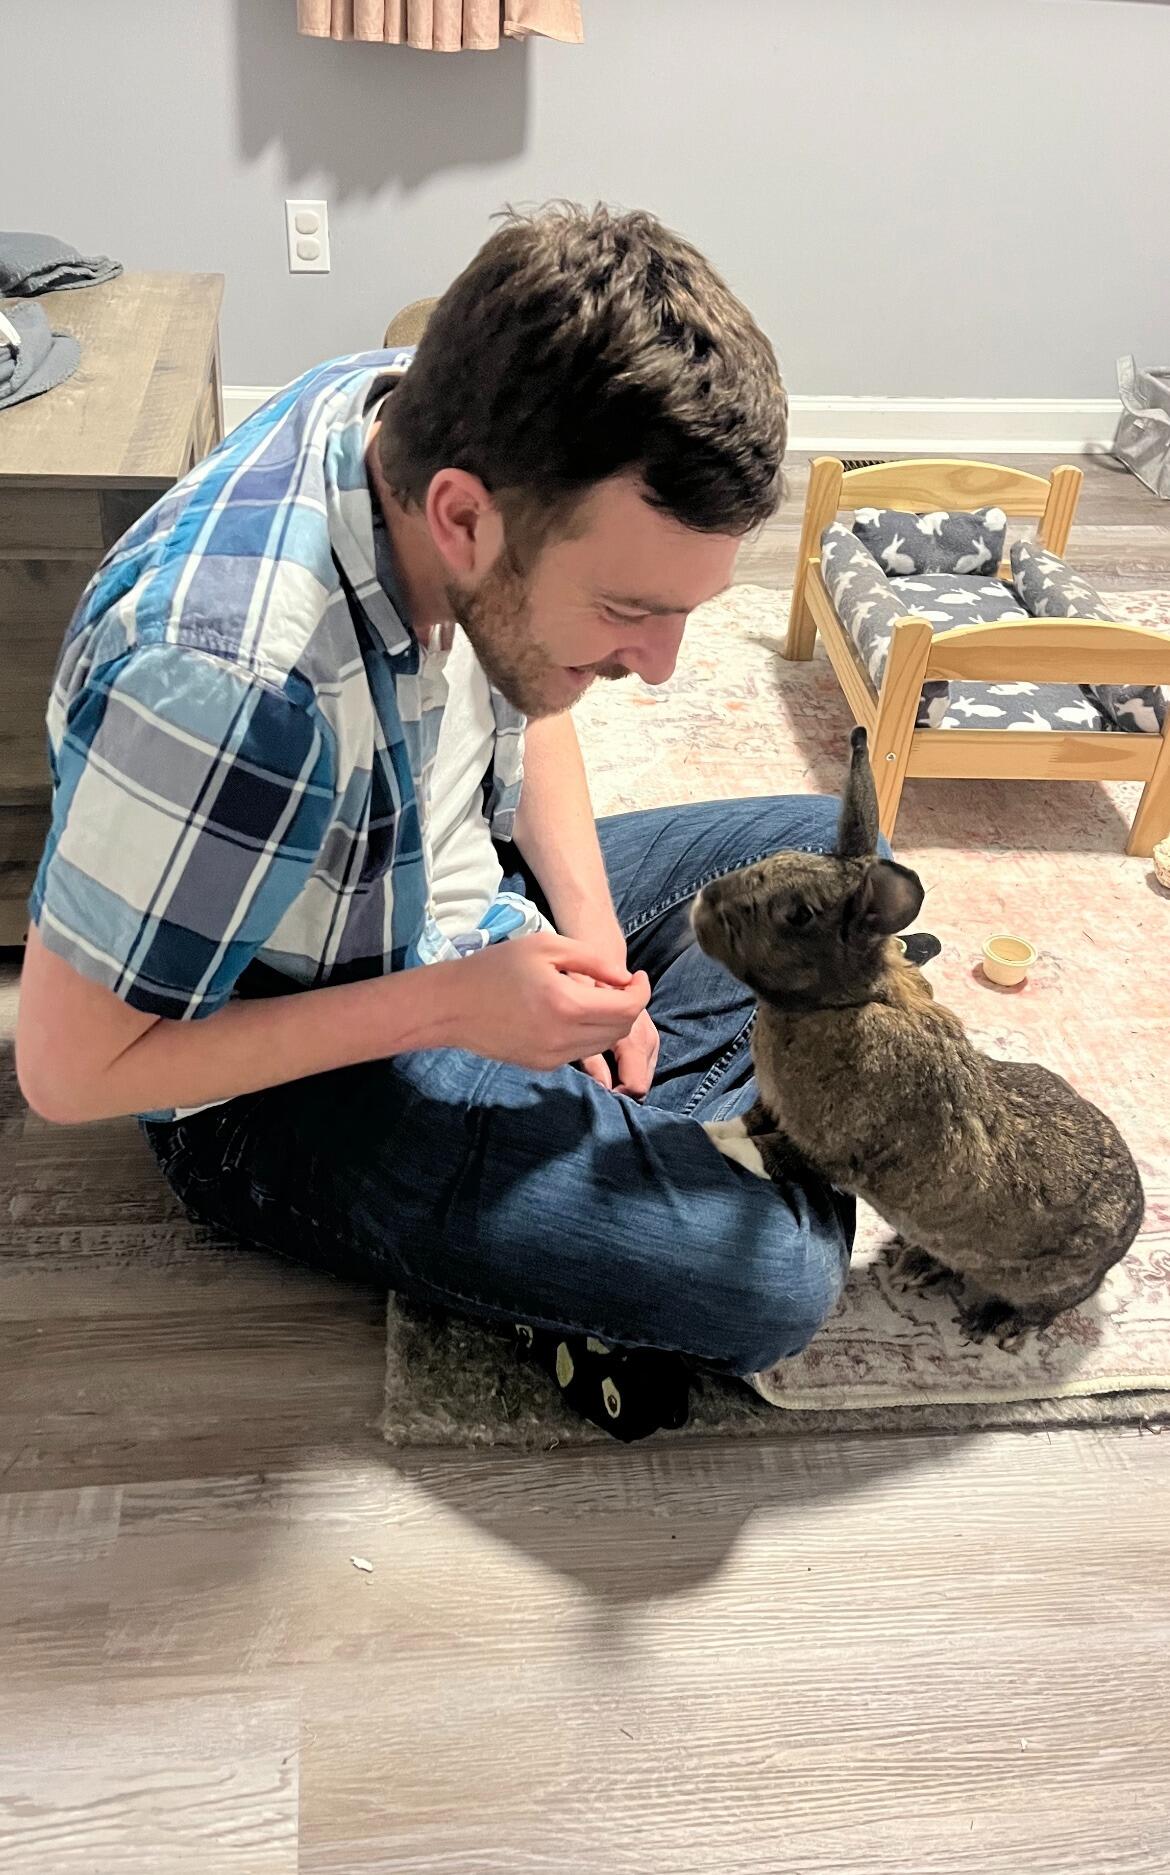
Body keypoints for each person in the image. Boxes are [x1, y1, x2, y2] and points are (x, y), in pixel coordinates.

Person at [15, 204, 905, 1439]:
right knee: (778, 1279)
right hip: (273, 1069)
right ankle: (615, 1227)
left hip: (434, 900)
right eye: (632, 609)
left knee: (838, 865)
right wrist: (457, 1007)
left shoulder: (410, 404)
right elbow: (67, 1071)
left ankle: (597, 1206)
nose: (660, 667)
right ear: (461, 518)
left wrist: (589, 938)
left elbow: (532, 688)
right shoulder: (223, 686)